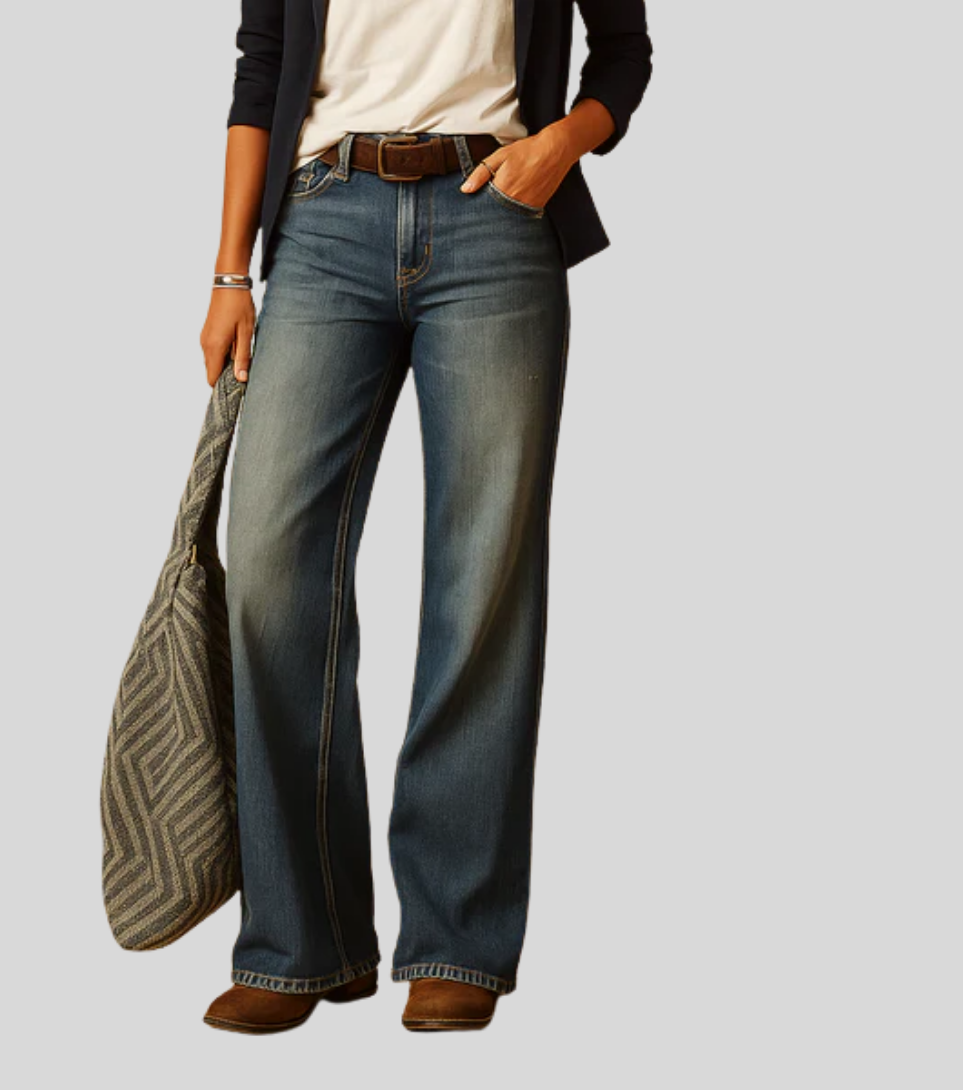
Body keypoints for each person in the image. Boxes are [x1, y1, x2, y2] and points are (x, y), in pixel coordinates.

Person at [199, 0, 652, 1034]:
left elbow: (623, 54)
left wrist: (560, 146)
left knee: (480, 580)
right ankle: (300, 942)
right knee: (269, 568)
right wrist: (230, 271)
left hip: (497, 215)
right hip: (322, 219)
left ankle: (456, 939)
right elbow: (260, 65)